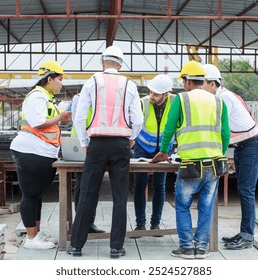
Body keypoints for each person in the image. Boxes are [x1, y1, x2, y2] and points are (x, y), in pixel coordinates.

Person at [67, 45, 143, 258]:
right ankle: (116, 248)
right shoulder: (129, 84)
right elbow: (138, 119)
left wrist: (83, 140)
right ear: (121, 64)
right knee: (120, 197)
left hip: (97, 144)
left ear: (102, 62)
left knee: (87, 194)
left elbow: (79, 116)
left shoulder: (92, 82)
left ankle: (76, 246)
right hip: (120, 144)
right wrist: (131, 139)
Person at [151, 60, 230, 259]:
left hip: (190, 165)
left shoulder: (181, 99)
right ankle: (201, 248)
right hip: (214, 164)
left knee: (183, 205)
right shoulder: (219, 101)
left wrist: (163, 151)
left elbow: (169, 128)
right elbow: (226, 133)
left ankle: (186, 247)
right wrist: (219, 151)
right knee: (206, 206)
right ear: (202, 80)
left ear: (187, 81)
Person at [202, 63, 258, 250]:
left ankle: (247, 236)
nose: (201, 88)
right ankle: (244, 232)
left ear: (212, 84)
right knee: (243, 190)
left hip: (252, 145)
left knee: (246, 191)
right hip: (243, 146)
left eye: (203, 83)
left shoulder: (224, 98)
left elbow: (219, 128)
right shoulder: (222, 96)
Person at [10, 60, 71, 250]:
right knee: (30, 194)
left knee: (36, 195)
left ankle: (35, 233)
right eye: (60, 79)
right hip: (31, 150)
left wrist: (59, 119)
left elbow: (47, 123)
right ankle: (30, 238)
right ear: (50, 79)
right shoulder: (37, 96)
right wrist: (60, 117)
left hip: (41, 150)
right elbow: (37, 123)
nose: (62, 83)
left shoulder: (46, 97)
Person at [132, 74, 175, 236]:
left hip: (163, 149)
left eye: (156, 94)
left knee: (159, 185)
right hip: (142, 148)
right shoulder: (142, 103)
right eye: (151, 92)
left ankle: (155, 224)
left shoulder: (174, 102)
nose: (152, 96)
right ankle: (140, 224)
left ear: (166, 94)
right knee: (139, 185)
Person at [68, 93, 105, 234]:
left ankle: (89, 222)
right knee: (82, 185)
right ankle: (81, 221)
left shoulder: (102, 99)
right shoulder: (78, 98)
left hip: (96, 145)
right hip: (80, 145)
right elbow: (77, 121)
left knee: (93, 186)